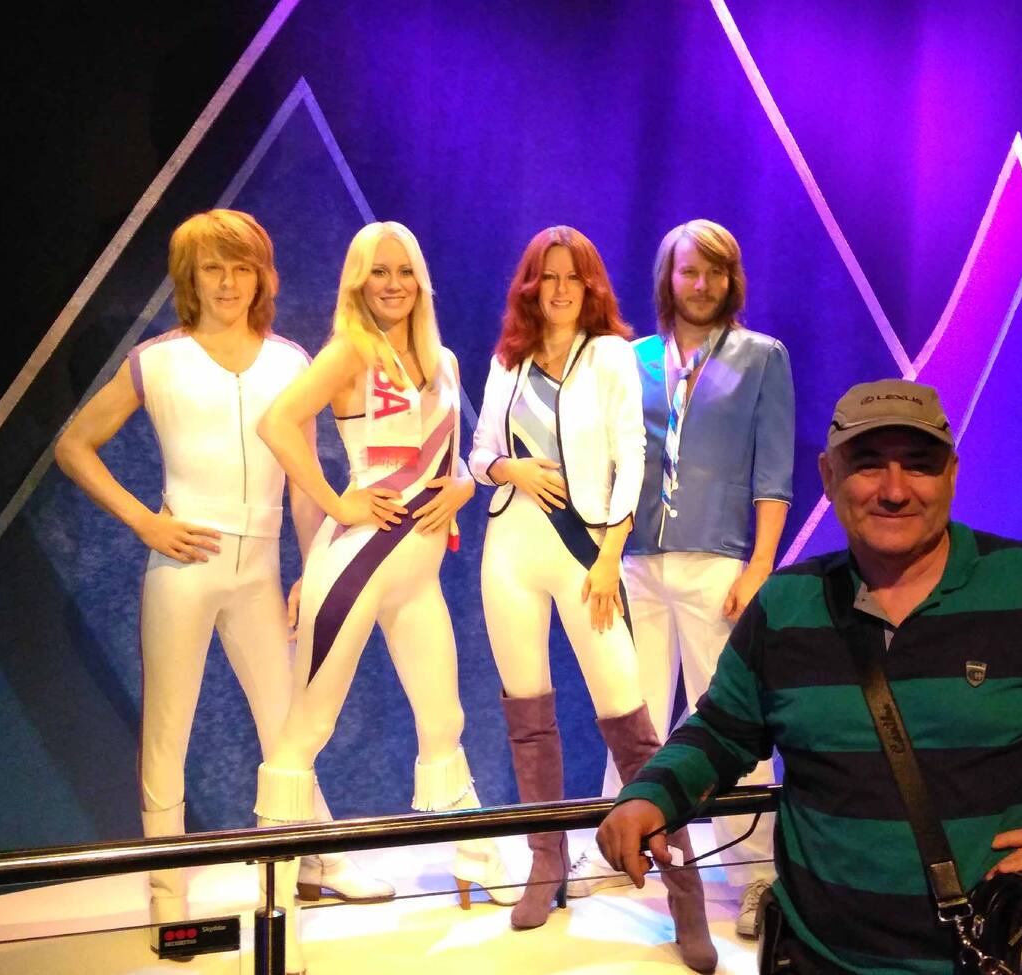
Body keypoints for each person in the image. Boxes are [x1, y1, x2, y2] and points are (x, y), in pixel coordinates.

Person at [598, 378, 1022, 975]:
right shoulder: (785, 604)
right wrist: (651, 795)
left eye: (919, 465)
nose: (895, 490)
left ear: (951, 474)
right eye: (868, 464)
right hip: (820, 959)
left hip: (994, 960)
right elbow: (721, 730)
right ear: (828, 476)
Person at [54, 209, 390, 939]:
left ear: (262, 276)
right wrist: (145, 521)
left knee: (288, 720)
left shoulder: (291, 362)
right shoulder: (157, 361)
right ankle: (166, 893)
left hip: (260, 571)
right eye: (213, 267)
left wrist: (313, 567)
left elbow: (304, 479)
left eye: (242, 267)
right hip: (183, 567)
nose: (229, 282)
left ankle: (319, 857)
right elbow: (74, 445)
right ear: (190, 277)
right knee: (167, 731)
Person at [252, 221, 514, 975]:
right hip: (358, 561)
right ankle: (276, 901)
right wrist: (338, 501)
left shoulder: (443, 359)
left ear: (420, 279)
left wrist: (461, 486)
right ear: (357, 281)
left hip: (417, 575)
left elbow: (450, 461)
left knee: (445, 717)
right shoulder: (349, 351)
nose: (392, 284)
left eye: (403, 271)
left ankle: (475, 857)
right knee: (308, 728)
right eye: (378, 271)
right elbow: (276, 423)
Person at [469, 225, 717, 972]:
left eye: (572, 277)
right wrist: (508, 469)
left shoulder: (610, 354)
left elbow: (632, 456)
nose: (560, 289)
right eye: (547, 277)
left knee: (633, 729)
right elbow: (478, 454)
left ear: (590, 285)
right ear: (530, 285)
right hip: (509, 550)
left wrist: (610, 555)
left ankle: (684, 893)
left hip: (587, 556)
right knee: (527, 718)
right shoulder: (508, 358)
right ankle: (546, 863)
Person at [575, 219, 794, 939]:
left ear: (733, 281)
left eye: (715, 272)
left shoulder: (762, 357)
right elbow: (608, 462)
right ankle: (614, 845)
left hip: (719, 563)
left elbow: (773, 472)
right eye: (688, 270)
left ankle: (759, 873)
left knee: (732, 721)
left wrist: (760, 566)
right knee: (629, 711)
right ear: (667, 277)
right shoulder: (630, 359)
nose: (701, 284)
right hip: (635, 561)